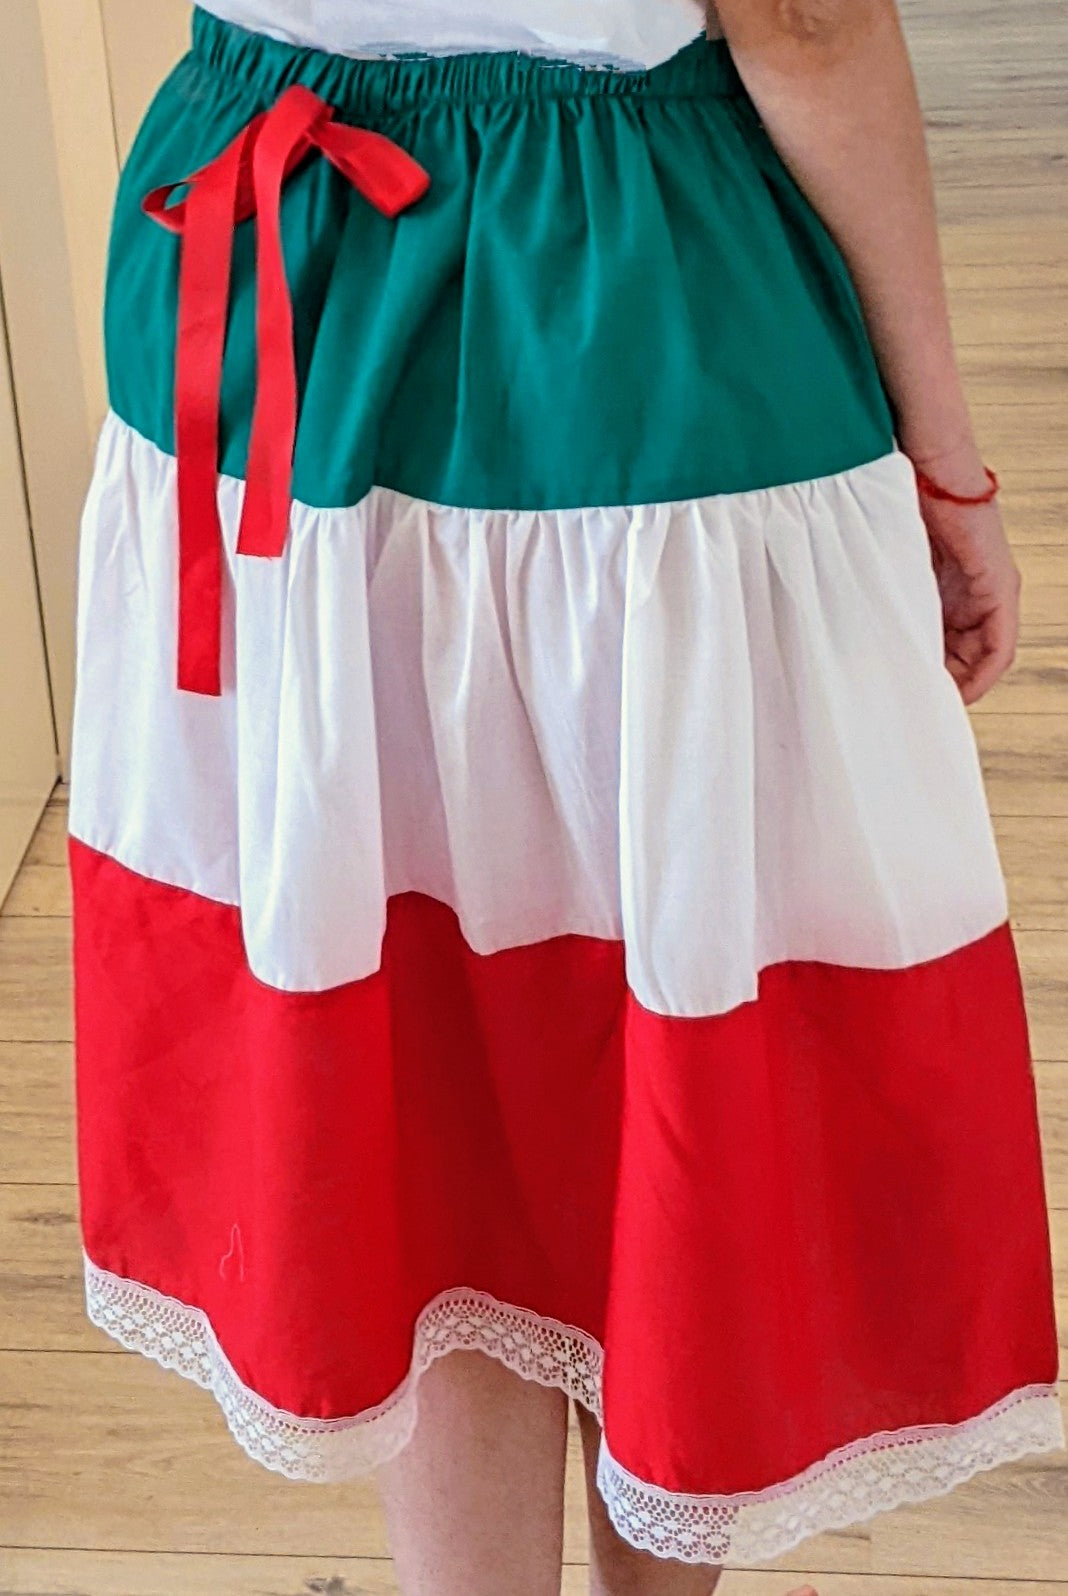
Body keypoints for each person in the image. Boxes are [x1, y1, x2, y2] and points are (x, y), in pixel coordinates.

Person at [66, 1, 1063, 1593]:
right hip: (624, 288)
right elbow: (801, 22)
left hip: (274, 281)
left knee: (418, 1037)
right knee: (666, 985)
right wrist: (949, 463)